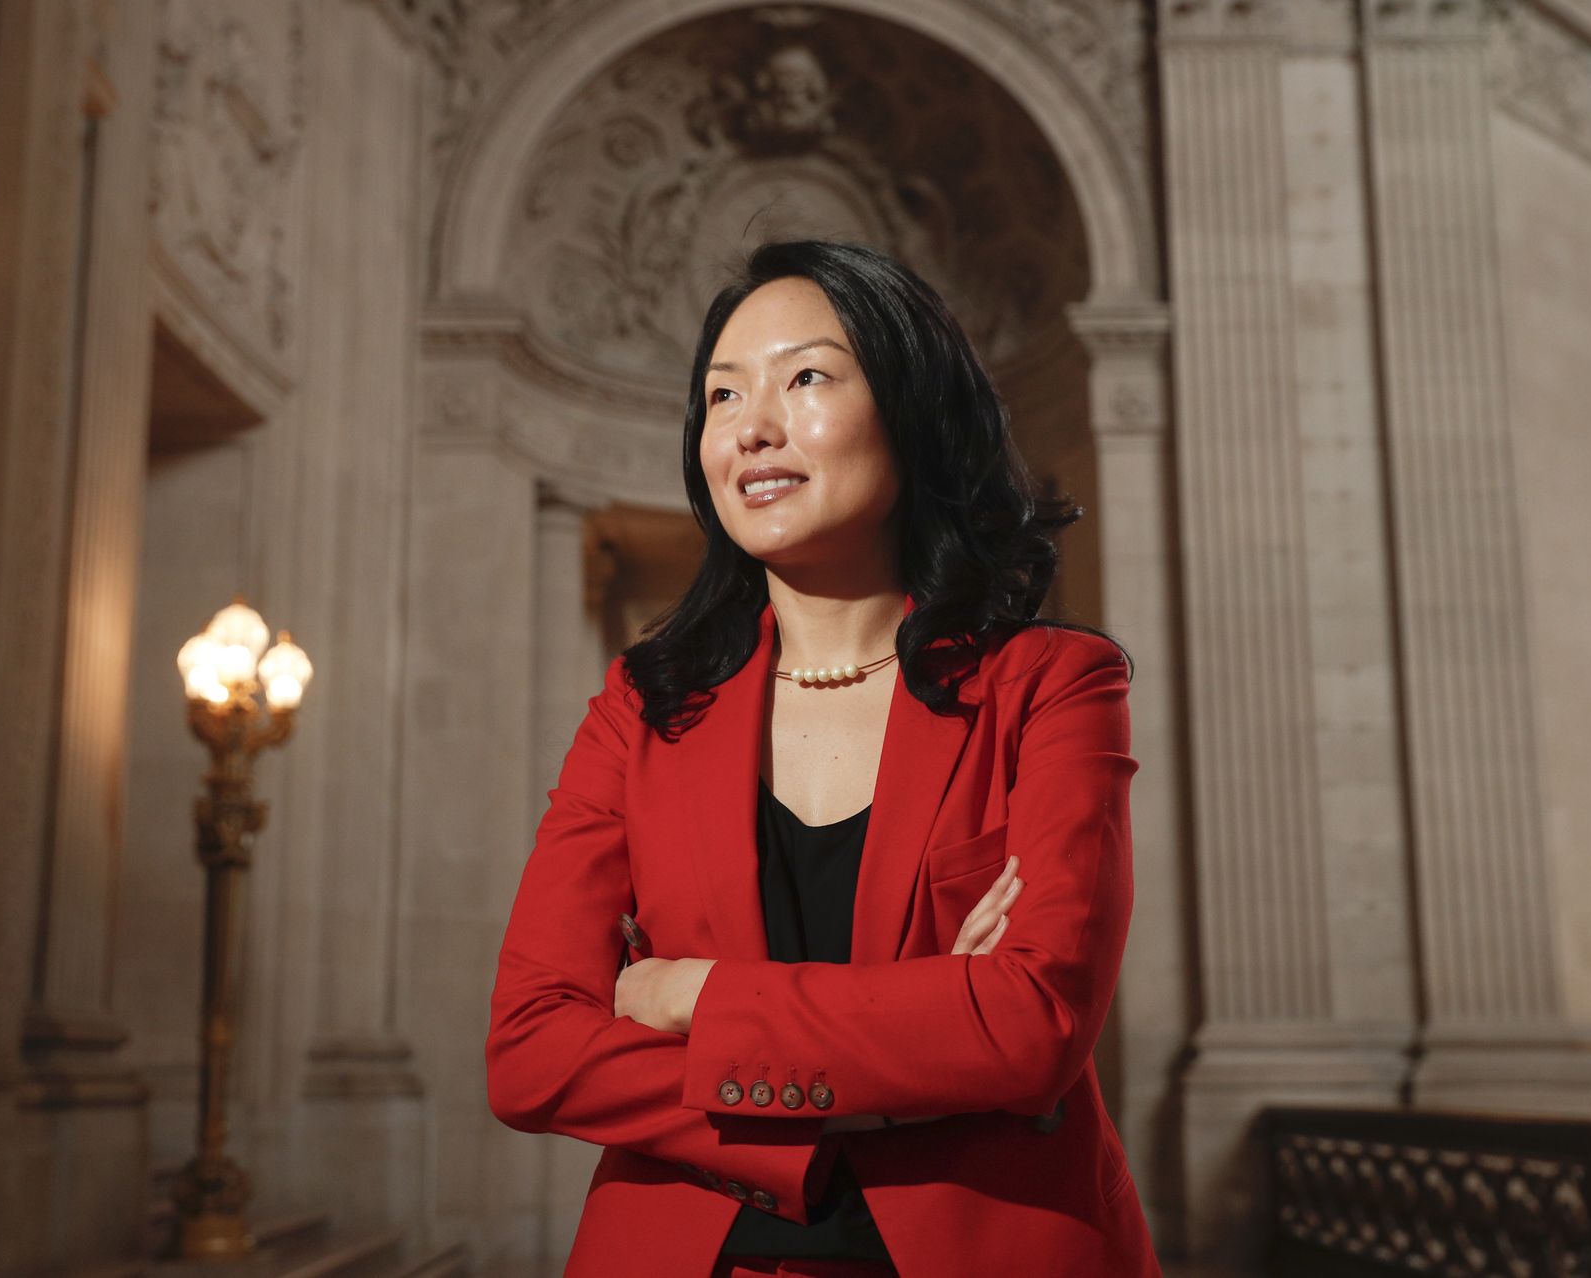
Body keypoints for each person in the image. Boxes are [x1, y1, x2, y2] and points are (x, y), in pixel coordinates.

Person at [485, 239, 1157, 1278]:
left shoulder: (1052, 685)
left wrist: (692, 996)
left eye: (805, 378)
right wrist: (910, 1061)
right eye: (721, 395)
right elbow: (530, 1051)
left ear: (910, 409)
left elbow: (1031, 1026)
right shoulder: (641, 712)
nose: (751, 426)